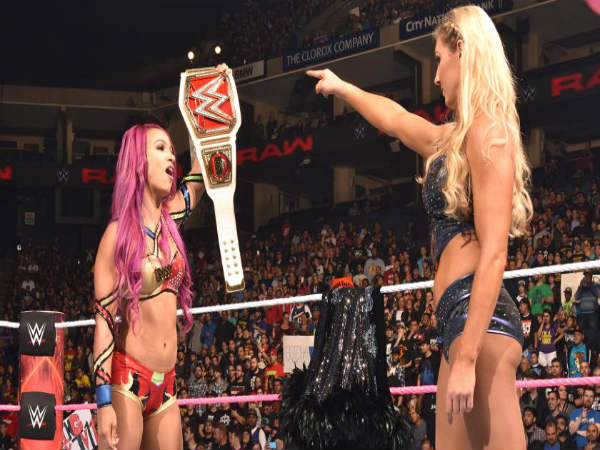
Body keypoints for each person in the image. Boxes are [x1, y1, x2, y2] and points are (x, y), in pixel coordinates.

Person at [307, 4, 531, 449]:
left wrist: (467, 355)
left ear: (463, 51)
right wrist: (342, 87)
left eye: (440, 60)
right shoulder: (454, 139)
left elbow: (494, 253)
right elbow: (395, 119)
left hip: (478, 323)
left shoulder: (491, 132)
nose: (436, 77)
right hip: (457, 324)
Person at [93, 114, 210, 449]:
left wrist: (203, 119)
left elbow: (199, 178)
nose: (171, 156)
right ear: (138, 161)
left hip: (167, 385)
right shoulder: (117, 236)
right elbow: (104, 321)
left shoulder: (171, 218)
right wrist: (103, 402)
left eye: (172, 149)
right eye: (160, 148)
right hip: (127, 380)